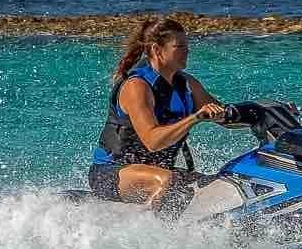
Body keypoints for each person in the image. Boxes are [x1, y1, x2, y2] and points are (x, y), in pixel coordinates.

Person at [89, 16, 226, 211]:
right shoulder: (137, 86)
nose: (187, 51)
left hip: (156, 171)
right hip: (111, 172)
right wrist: (195, 118)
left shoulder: (187, 84)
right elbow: (152, 141)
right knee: (168, 181)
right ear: (156, 50)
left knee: (220, 184)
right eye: (180, 47)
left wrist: (264, 112)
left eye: (187, 46)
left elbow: (225, 115)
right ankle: (164, 239)